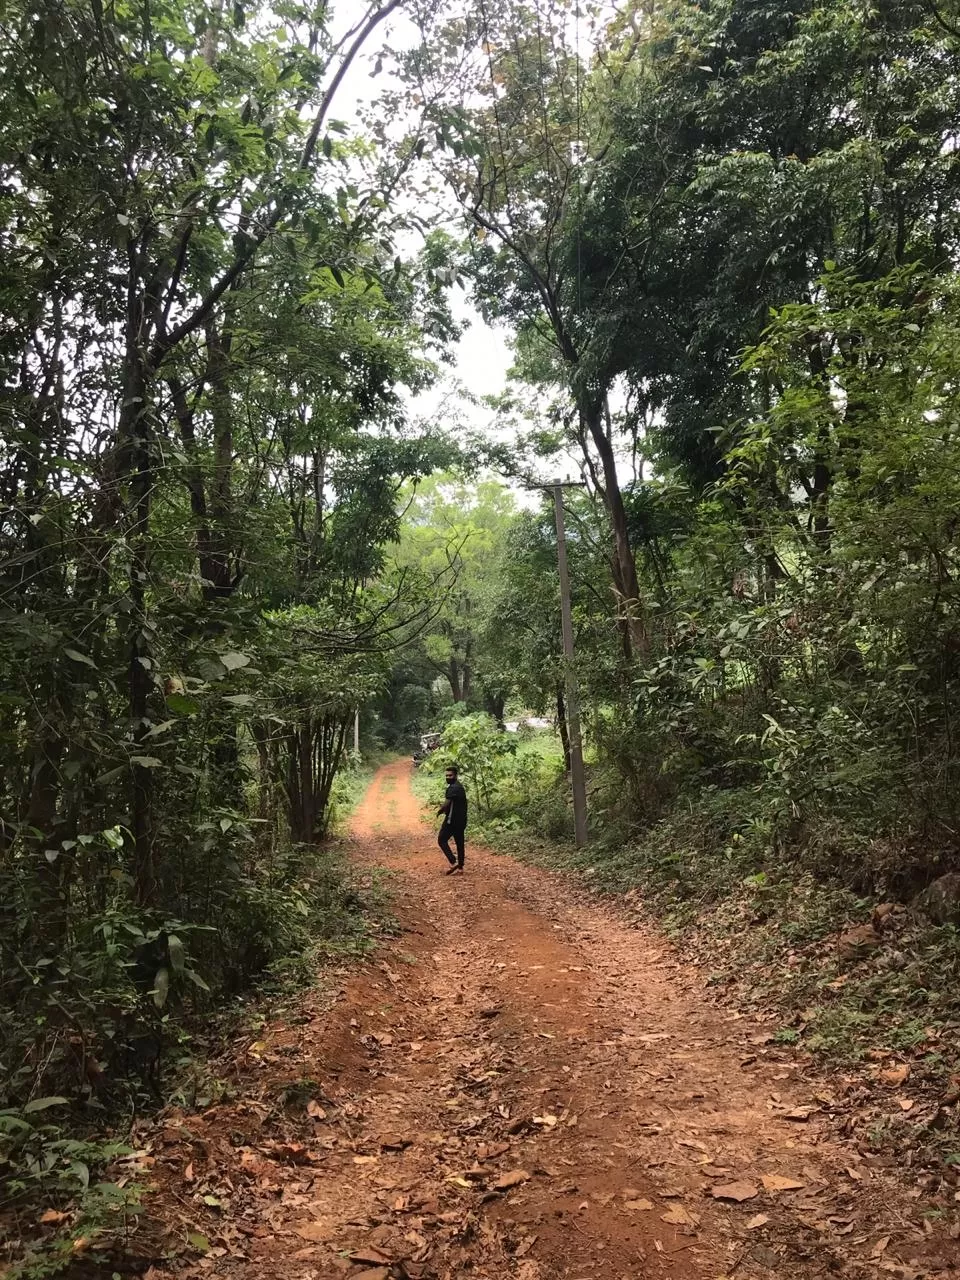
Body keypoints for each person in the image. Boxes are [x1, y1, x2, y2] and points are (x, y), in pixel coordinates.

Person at [437, 764, 468, 875]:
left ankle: (453, 861)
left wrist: (440, 810)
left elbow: (447, 803)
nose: (448, 777)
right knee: (459, 843)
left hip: (452, 821)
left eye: (450, 775)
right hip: (462, 820)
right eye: (446, 775)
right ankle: (460, 868)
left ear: (455, 776)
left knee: (441, 840)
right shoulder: (459, 786)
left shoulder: (453, 788)